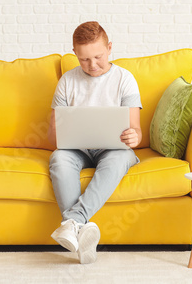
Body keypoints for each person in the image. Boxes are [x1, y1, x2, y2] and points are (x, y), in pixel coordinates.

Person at [47, 21, 142, 264]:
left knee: (120, 157)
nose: (92, 65)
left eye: (98, 57)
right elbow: (51, 137)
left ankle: (73, 223)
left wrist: (134, 136)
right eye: (84, 59)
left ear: (109, 48)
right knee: (59, 158)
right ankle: (82, 233)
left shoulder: (125, 79)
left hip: (113, 149)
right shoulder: (67, 81)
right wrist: (61, 132)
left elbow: (136, 131)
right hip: (76, 149)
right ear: (75, 54)